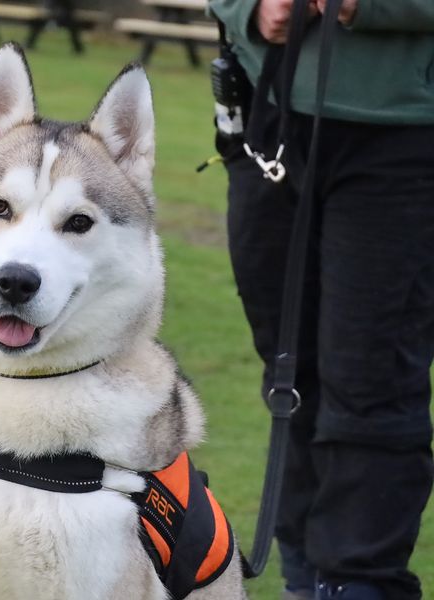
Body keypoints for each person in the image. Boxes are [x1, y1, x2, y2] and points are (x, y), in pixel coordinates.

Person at [206, 0, 434, 599]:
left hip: (404, 134)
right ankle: (305, 575)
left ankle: (360, 580)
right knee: (289, 362)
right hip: (268, 117)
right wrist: (249, 9)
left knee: (369, 374)